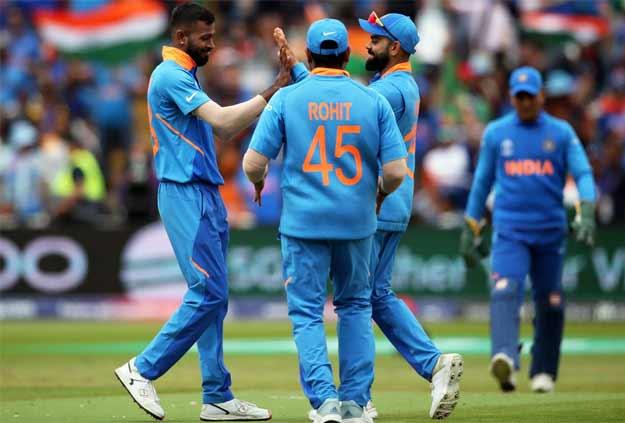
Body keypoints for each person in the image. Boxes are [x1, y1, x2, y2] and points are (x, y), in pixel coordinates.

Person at [114, 3, 291, 421]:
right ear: (181, 38)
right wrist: (275, 88)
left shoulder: (185, 73)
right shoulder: (170, 75)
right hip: (185, 193)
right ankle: (143, 368)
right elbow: (224, 121)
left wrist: (276, 88)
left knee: (215, 297)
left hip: (203, 192)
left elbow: (226, 127)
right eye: (205, 38)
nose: (211, 43)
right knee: (208, 293)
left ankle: (217, 397)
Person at [282, 12, 463, 419]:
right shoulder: (397, 86)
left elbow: (338, 106)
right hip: (388, 202)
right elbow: (337, 99)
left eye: (376, 39)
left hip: (377, 203)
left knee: (362, 299)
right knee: (372, 296)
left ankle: (421, 369)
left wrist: (299, 70)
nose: (368, 45)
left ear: (394, 47)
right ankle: (376, 388)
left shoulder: (392, 90)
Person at [242, 18, 407, 423]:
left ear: (311, 56)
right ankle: (354, 404)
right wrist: (381, 194)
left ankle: (325, 404)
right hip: (356, 223)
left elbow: (252, 163)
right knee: (355, 307)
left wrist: (260, 183)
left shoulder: (287, 99)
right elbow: (397, 172)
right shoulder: (373, 100)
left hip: (303, 225)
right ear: (348, 56)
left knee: (307, 313)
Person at [459, 66, 597, 393]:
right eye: (519, 97)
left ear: (541, 96)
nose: (525, 103)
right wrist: (470, 226)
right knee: (505, 289)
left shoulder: (561, 133)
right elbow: (481, 184)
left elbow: (584, 173)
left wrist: (587, 209)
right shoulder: (496, 133)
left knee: (550, 301)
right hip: (510, 231)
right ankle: (505, 359)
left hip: (550, 232)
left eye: (530, 97)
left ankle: (544, 370)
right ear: (511, 97)